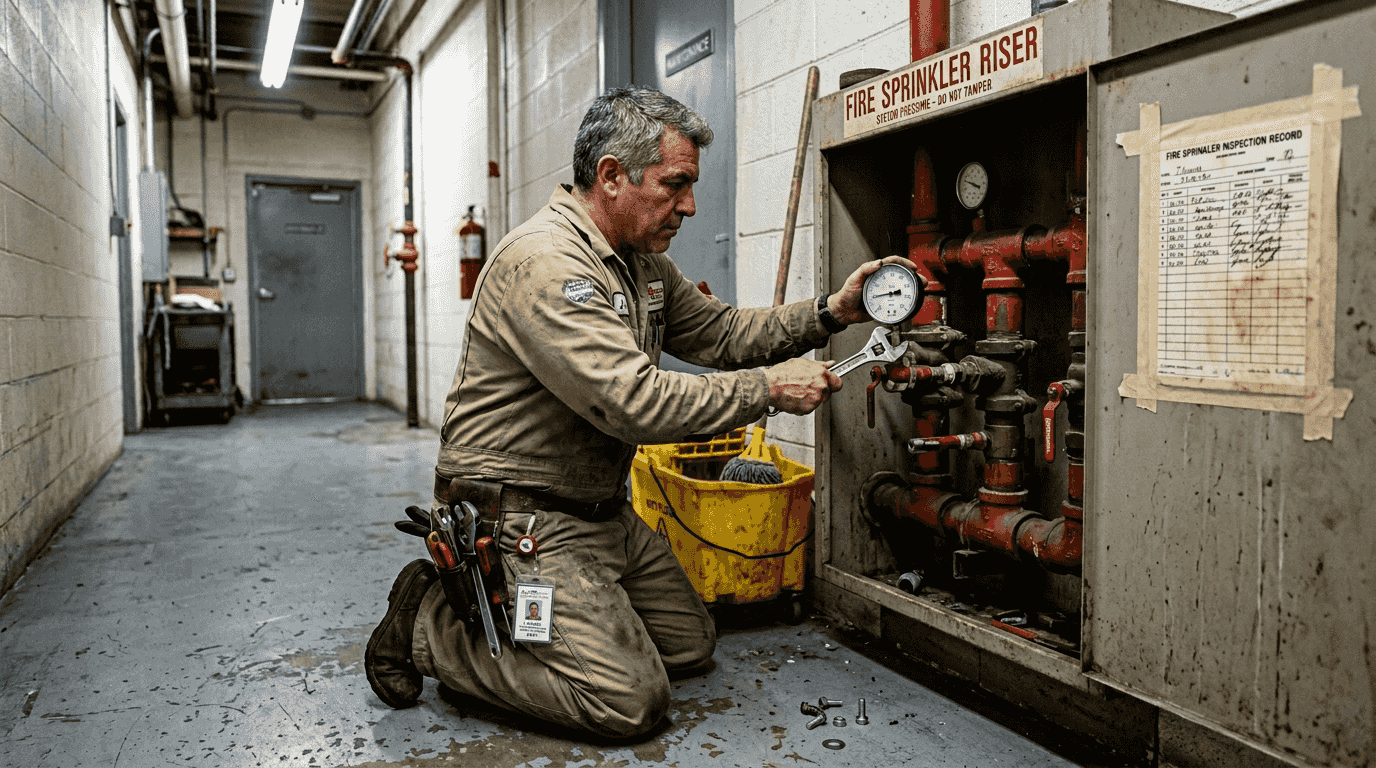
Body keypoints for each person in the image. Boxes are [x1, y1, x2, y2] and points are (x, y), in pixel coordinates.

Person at [365, 85, 919, 737]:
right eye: (675, 184)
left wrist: (833, 311)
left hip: (601, 509)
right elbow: (634, 404)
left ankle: (573, 619)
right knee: (628, 702)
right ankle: (427, 624)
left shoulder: (641, 263)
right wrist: (769, 389)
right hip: (523, 514)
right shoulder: (547, 264)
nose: (688, 204)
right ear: (611, 175)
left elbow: (722, 333)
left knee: (688, 646)